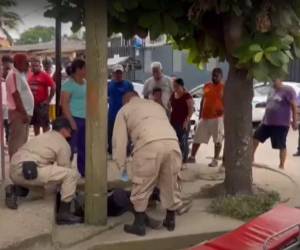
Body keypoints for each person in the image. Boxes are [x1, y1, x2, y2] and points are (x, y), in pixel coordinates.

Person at [113, 91, 182, 236]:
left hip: (148, 144)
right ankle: (170, 219)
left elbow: (119, 142)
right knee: (170, 181)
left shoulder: (124, 109)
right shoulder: (156, 106)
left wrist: (122, 166)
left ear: (126, 100)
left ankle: (139, 225)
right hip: (173, 144)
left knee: (142, 184)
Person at [5, 117, 82, 225]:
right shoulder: (63, 143)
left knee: (42, 189)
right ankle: (64, 214)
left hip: (15, 169)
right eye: (70, 131)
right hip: (30, 171)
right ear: (64, 130)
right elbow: (66, 170)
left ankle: (15, 190)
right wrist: (71, 194)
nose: (70, 134)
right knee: (71, 175)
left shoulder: (44, 136)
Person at [253, 79, 298, 169]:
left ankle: (281, 165)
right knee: (255, 138)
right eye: (271, 81)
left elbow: (294, 106)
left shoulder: (288, 90)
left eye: (274, 81)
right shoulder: (271, 91)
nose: (272, 83)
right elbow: (268, 106)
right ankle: (251, 159)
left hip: (281, 123)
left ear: (280, 80)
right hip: (267, 122)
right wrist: (262, 120)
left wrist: (295, 121)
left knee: (281, 144)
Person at [187, 68, 224, 167]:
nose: (214, 77)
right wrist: (200, 116)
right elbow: (203, 100)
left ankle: (215, 159)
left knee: (217, 140)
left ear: (221, 76)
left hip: (217, 118)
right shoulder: (207, 86)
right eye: (213, 75)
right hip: (204, 117)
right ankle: (192, 157)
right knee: (197, 137)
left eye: (216, 75)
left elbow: (227, 102)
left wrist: (223, 112)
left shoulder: (223, 87)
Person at [61, 58, 86, 177]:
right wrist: (71, 122)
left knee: (84, 148)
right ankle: (65, 173)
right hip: (74, 119)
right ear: (78, 69)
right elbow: (64, 104)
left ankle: (84, 171)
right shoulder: (68, 84)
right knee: (69, 149)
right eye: (85, 68)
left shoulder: (86, 82)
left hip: (86, 119)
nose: (87, 70)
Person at [6, 54, 34, 159]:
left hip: (23, 113)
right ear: (18, 63)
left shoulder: (20, 74)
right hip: (19, 113)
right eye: (26, 62)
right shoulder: (13, 74)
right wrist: (23, 113)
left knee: (22, 141)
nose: (28, 65)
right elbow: (16, 95)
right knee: (17, 141)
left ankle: (19, 164)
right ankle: (15, 166)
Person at [107, 64, 134, 154]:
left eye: (120, 73)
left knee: (125, 134)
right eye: (116, 73)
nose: (118, 75)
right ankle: (111, 150)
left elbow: (133, 98)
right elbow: (105, 97)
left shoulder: (128, 85)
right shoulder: (109, 84)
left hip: (125, 115)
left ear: (123, 73)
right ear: (113, 74)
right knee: (111, 134)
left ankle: (127, 151)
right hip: (112, 115)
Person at [28, 57, 56, 136]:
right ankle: (37, 141)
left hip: (42, 105)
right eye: (32, 66)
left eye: (36, 66)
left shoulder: (44, 75)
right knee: (35, 124)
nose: (34, 67)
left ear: (40, 66)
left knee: (45, 125)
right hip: (33, 105)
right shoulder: (30, 76)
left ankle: (45, 142)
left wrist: (48, 100)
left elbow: (53, 86)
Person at [170, 78, 194, 163]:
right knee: (174, 141)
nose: (175, 88)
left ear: (181, 86)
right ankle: (176, 159)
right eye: (174, 86)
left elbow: (191, 109)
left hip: (183, 122)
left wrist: (187, 121)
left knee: (183, 142)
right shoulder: (173, 94)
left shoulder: (187, 96)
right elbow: (171, 106)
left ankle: (184, 161)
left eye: (176, 86)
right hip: (173, 122)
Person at [1, 55, 13, 143]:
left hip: (7, 102)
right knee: (5, 123)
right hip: (4, 102)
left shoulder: (11, 72)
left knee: (7, 123)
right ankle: (5, 141)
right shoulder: (4, 70)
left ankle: (7, 140)